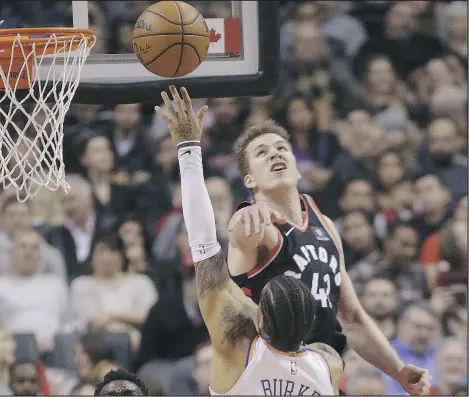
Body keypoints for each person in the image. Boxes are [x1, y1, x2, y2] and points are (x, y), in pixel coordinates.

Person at [155, 86, 344, 395]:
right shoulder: (328, 364)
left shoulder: (237, 345)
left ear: (260, 319)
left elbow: (203, 244)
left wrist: (188, 145)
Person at [225, 113, 431, 392]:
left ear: (297, 170)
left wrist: (398, 370)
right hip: (271, 380)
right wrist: (245, 212)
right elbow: (241, 234)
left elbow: (352, 318)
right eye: (262, 153)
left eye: (281, 148)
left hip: (320, 375)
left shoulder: (327, 225)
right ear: (249, 179)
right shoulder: (258, 227)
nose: (274, 153)